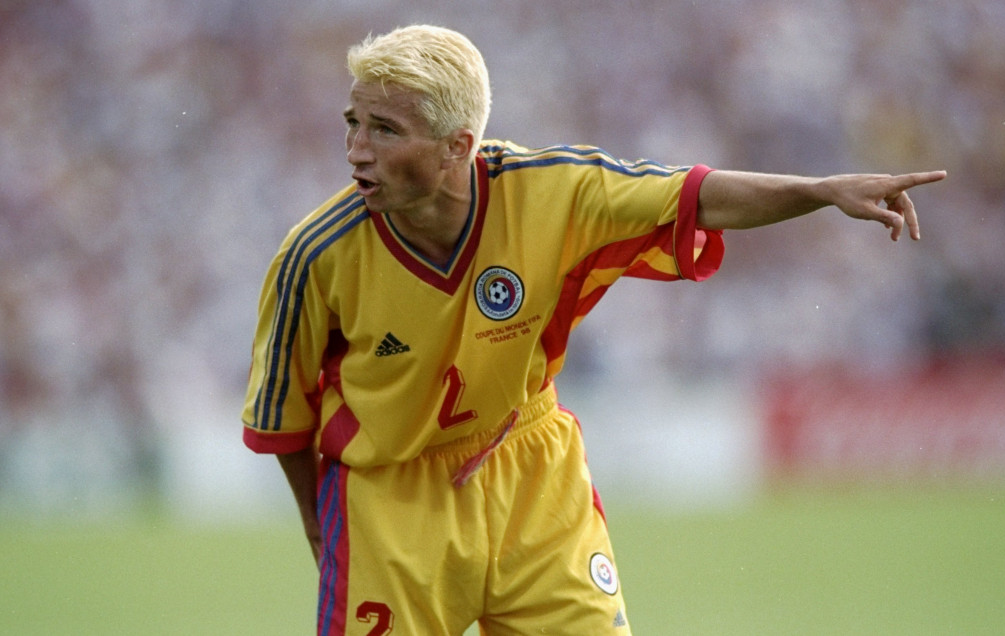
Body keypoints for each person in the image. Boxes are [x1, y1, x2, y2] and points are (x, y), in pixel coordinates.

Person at [241, 24, 946, 635]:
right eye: (352, 123)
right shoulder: (316, 255)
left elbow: (693, 195)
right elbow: (284, 417)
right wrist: (318, 522)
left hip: (528, 472)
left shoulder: (554, 190)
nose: (356, 150)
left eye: (384, 130)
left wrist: (821, 191)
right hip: (390, 503)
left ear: (458, 147)